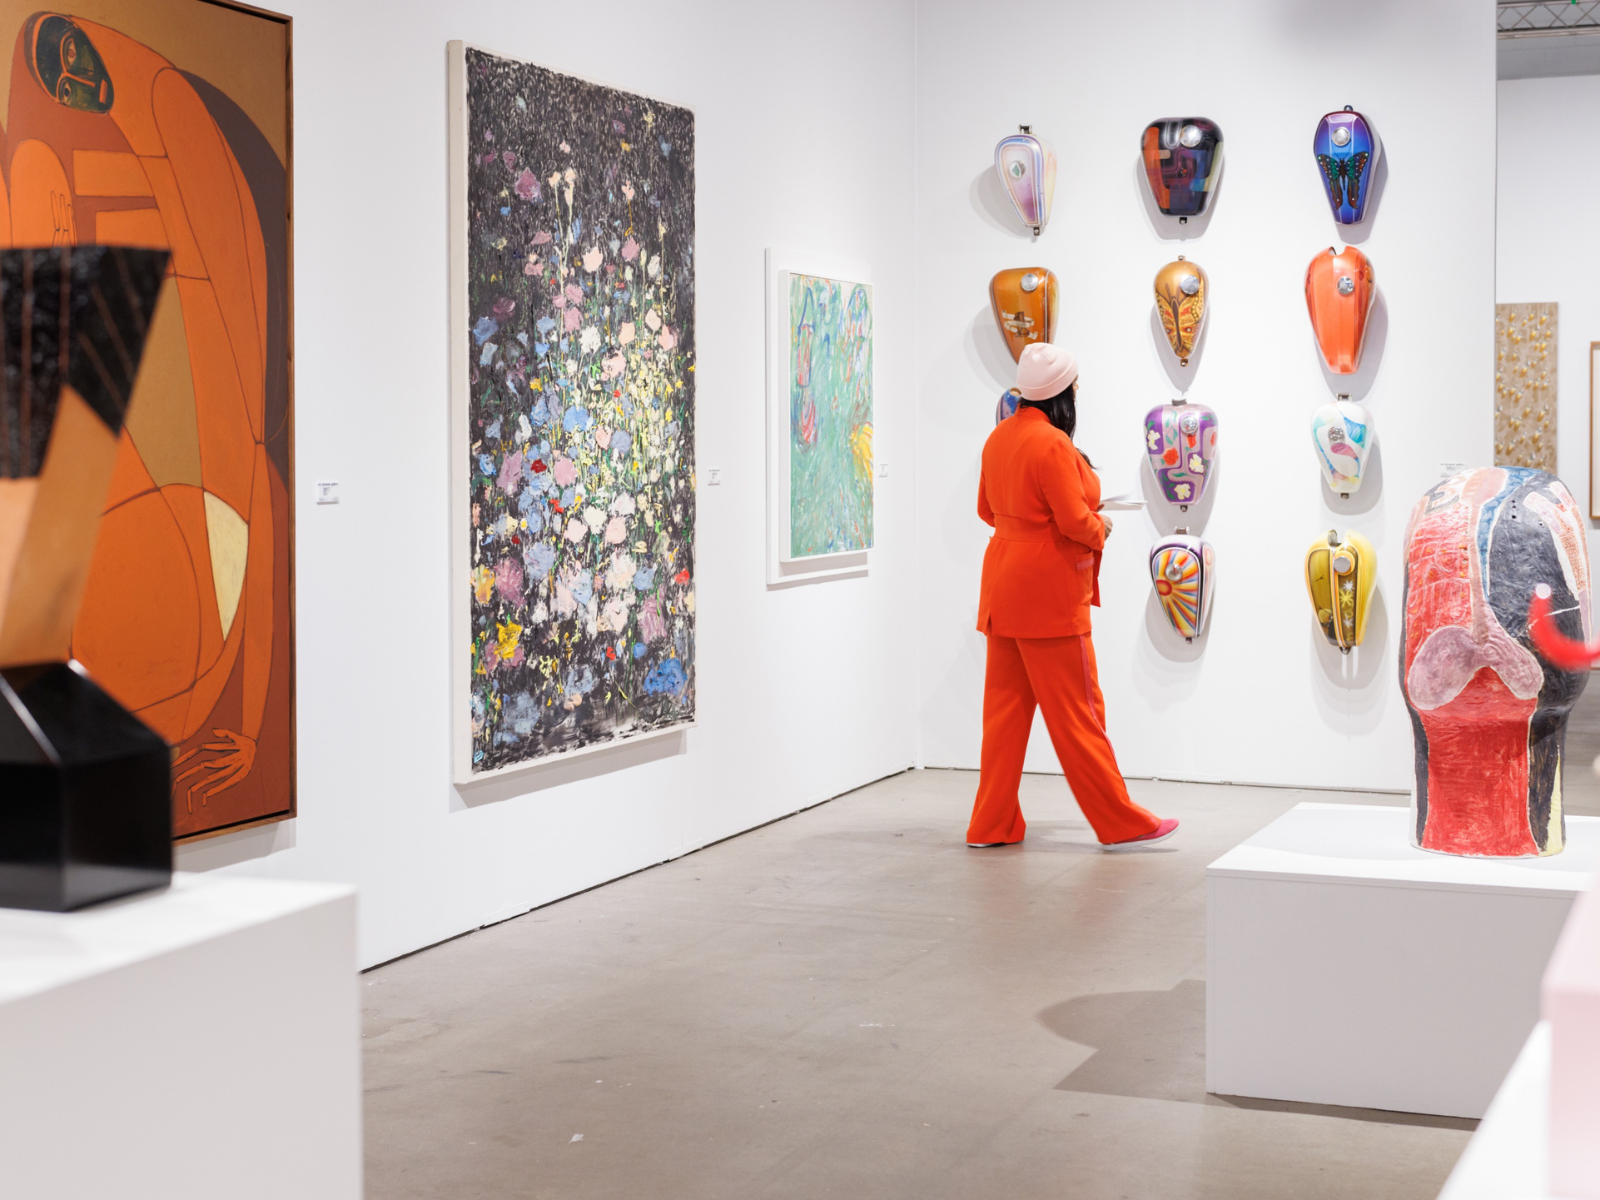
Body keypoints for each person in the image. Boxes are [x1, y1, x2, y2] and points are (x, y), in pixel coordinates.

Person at [967, 343, 1179, 850]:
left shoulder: (998, 437)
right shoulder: (1053, 445)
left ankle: (989, 825)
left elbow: (986, 511)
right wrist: (1101, 525)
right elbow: (1074, 522)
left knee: (1004, 717)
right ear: (1064, 395)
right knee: (1080, 714)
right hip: (1049, 595)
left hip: (1002, 591)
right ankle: (1121, 821)